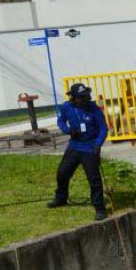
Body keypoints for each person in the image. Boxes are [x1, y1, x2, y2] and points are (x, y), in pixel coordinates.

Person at [48, 83, 109, 220]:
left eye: (86, 96)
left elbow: (103, 129)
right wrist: (68, 130)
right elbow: (61, 121)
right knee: (62, 173)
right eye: (81, 97)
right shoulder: (66, 107)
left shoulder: (95, 110)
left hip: (90, 147)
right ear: (74, 98)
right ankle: (61, 198)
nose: (84, 99)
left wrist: (98, 145)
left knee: (94, 179)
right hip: (74, 146)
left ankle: (99, 207)